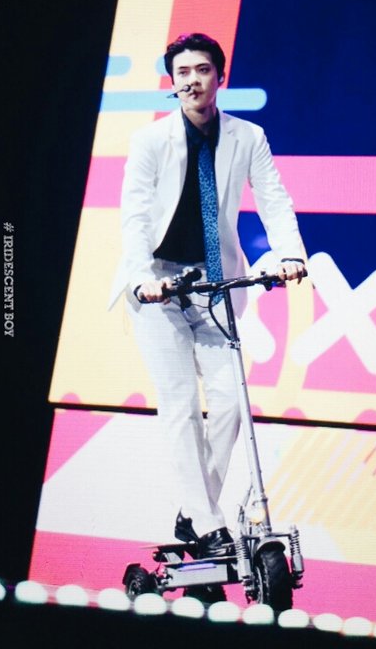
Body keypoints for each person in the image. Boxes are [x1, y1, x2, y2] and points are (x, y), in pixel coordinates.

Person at [109, 33, 305, 561]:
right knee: (178, 402)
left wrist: (291, 254)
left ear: (220, 76)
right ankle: (209, 522)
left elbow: (274, 198)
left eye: (201, 69)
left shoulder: (248, 136)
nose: (192, 80)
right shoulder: (150, 141)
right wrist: (141, 279)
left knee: (230, 405)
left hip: (213, 281)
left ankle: (194, 513)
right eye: (182, 72)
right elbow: (135, 216)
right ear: (172, 82)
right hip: (158, 284)